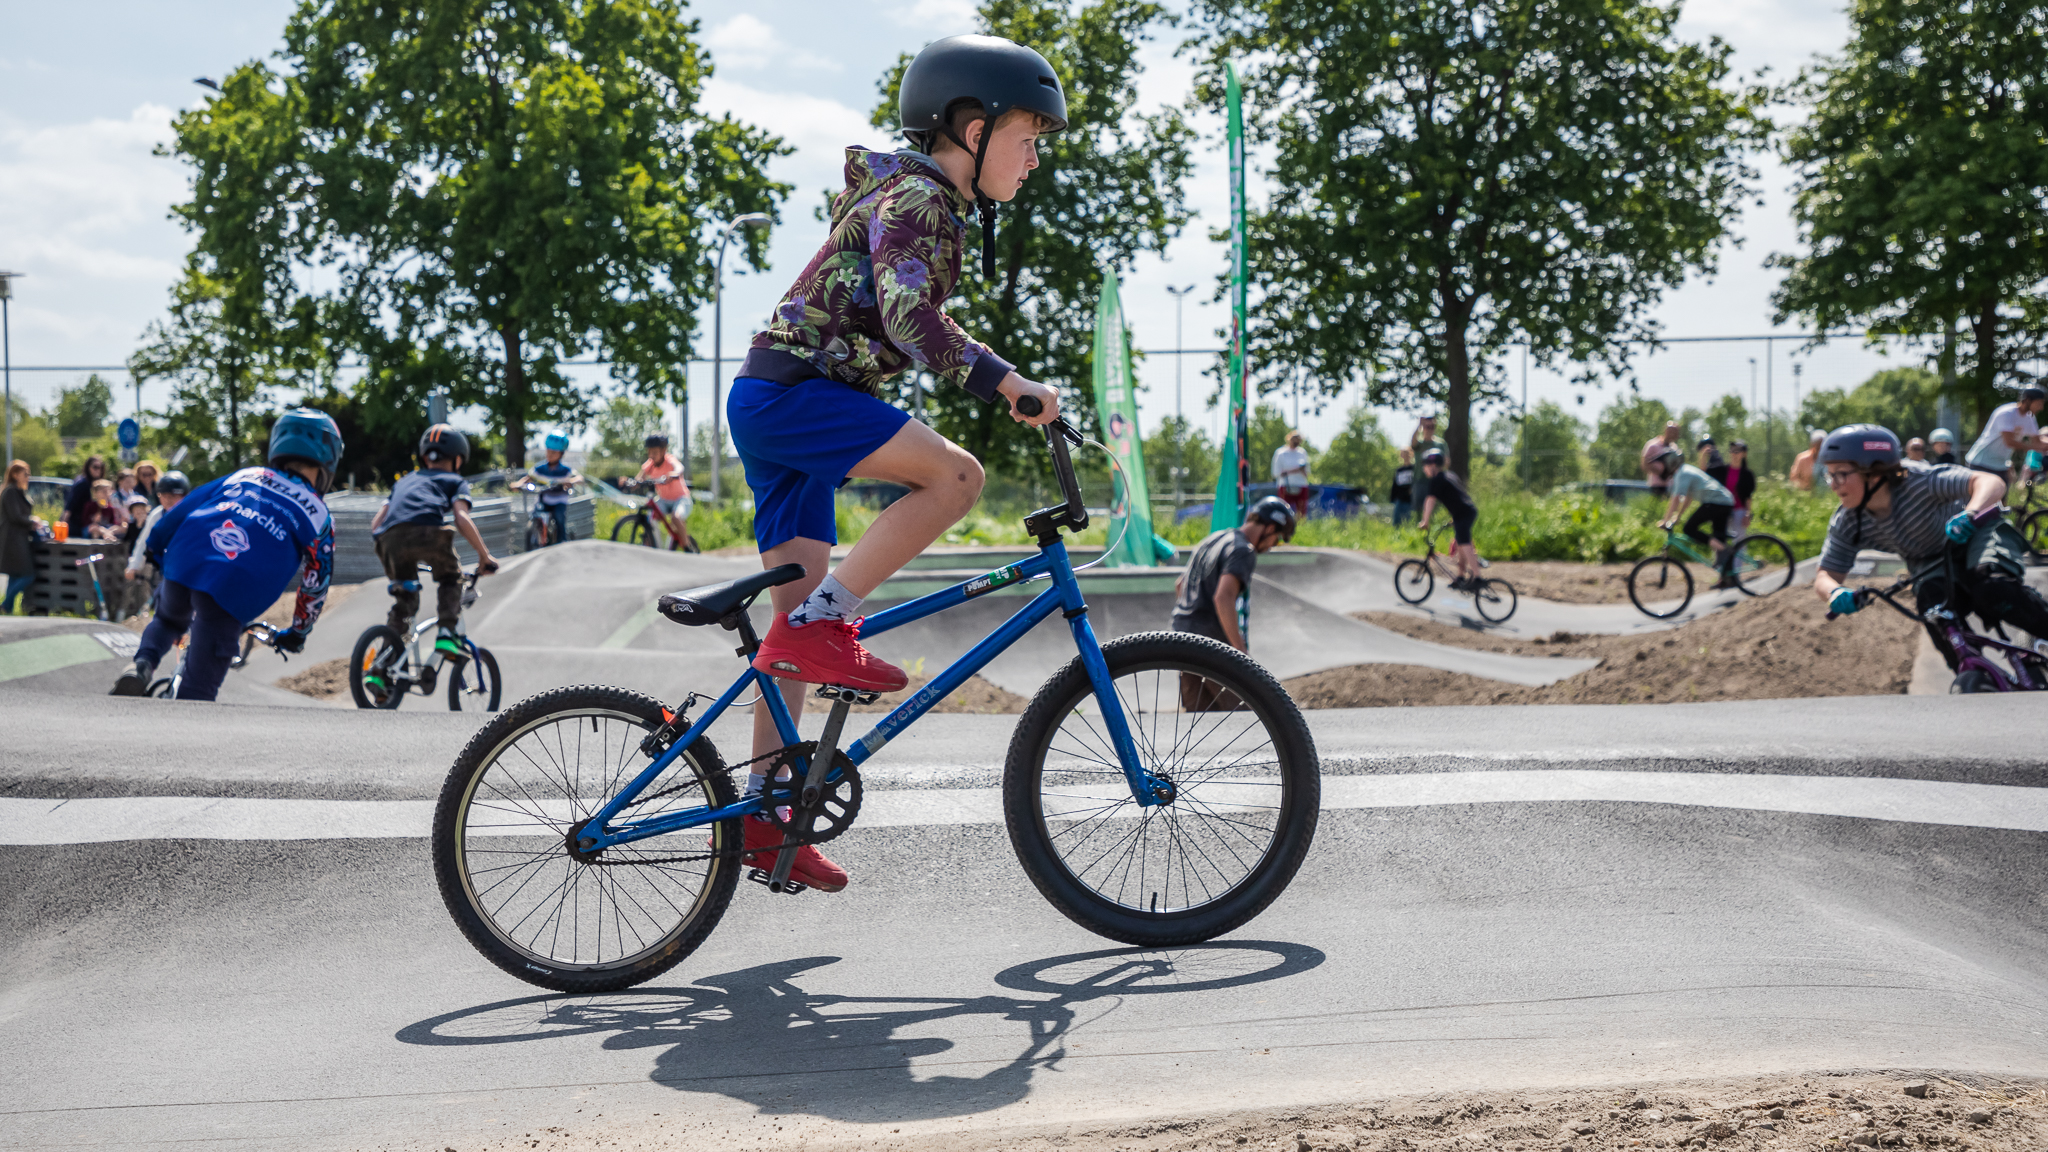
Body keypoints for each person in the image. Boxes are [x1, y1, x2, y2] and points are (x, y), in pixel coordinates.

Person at [723, 33, 1066, 893]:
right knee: (957, 477)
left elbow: (911, 316)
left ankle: (766, 818)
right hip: (796, 397)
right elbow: (913, 321)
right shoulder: (918, 197)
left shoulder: (920, 200)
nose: (1034, 160)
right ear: (972, 127)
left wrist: (1005, 379)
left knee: (790, 651)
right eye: (1029, 139)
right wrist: (1006, 383)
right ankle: (825, 619)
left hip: (776, 401)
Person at [111, 410, 344, 700]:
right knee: (197, 695)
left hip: (186, 558)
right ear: (330, 460)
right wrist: (298, 632)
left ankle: (141, 664)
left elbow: (183, 509)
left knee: (169, 620)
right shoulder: (319, 515)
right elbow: (316, 581)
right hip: (234, 586)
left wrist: (156, 551)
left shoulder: (247, 474)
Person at [1811, 423, 2048, 672]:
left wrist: (1970, 513)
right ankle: (1973, 674)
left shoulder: (1919, 481)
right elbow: (1825, 576)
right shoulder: (1848, 521)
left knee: (1992, 587)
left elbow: (1991, 482)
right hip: (1929, 560)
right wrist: (1834, 593)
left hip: (1977, 535)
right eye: (1829, 475)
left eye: (1840, 474)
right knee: (1933, 608)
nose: (1833, 484)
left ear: (1875, 473)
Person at [369, 424, 500, 662]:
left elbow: (376, 523)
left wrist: (386, 547)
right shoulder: (454, 480)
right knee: (451, 577)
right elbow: (461, 517)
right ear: (458, 459)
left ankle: (383, 665)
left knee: (405, 597)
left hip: (389, 539)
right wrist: (484, 556)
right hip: (427, 533)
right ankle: (447, 632)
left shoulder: (405, 481)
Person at [1171, 496, 1295, 710]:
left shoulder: (1214, 539)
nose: (1274, 545)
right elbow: (1223, 597)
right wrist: (1240, 653)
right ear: (1270, 527)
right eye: (1278, 539)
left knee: (1199, 722)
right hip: (1209, 645)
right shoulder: (1243, 550)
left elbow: (1180, 585)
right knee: (1248, 711)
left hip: (1180, 639)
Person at [1654, 444, 1739, 585]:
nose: (1662, 466)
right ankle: (1728, 579)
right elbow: (1688, 497)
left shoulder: (1682, 473)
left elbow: (1675, 499)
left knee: (1689, 528)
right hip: (1724, 502)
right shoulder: (1685, 470)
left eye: (1663, 463)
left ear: (1670, 462)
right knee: (1718, 537)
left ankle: (1724, 551)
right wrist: (1678, 517)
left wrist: (1665, 520)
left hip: (1717, 503)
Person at [121, 470, 187, 616]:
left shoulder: (192, 514)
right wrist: (134, 565)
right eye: (164, 496)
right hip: (165, 566)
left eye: (173, 496)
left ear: (183, 497)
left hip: (187, 567)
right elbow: (144, 541)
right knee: (162, 602)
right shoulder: (157, 515)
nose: (168, 500)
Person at [1416, 448, 1482, 590]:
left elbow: (1430, 501)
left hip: (1463, 513)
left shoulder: (1436, 480)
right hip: (1465, 512)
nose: (1424, 469)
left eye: (1425, 466)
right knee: (1459, 544)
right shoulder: (1449, 475)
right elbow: (1456, 496)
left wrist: (1425, 521)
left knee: (1464, 543)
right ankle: (1460, 576)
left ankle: (1478, 577)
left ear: (1433, 466)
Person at [1964, 386, 2048, 482]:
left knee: (2001, 496)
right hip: (1981, 463)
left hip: (2000, 465)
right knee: (1982, 496)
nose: (2041, 408)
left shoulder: (2029, 418)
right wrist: (2033, 446)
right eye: (2039, 403)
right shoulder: (2006, 413)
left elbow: (2038, 442)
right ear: (2028, 400)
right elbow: (2010, 442)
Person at [522, 432, 582, 546]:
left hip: (559, 500)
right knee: (535, 513)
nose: (550, 454)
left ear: (561, 454)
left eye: (554, 452)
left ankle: (562, 542)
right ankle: (538, 538)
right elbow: (528, 478)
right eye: (548, 451)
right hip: (544, 499)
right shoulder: (540, 468)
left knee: (559, 517)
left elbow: (579, 478)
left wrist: (571, 481)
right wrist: (517, 484)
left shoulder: (565, 470)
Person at [636, 433, 694, 551]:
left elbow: (679, 468)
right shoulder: (650, 464)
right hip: (664, 500)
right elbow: (640, 477)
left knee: (676, 518)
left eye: (655, 453)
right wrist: (633, 482)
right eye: (649, 452)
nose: (651, 456)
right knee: (649, 517)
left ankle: (687, 546)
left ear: (663, 451)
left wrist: (674, 474)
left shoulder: (669, 460)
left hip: (681, 498)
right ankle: (656, 545)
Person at [1, 460, 44, 614]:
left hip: (20, 537)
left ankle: (8, 610)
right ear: (15, 474)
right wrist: (33, 521)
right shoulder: (10, 492)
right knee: (28, 575)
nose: (28, 477)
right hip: (13, 539)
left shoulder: (18, 491)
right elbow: (15, 517)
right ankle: (5, 605)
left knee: (15, 575)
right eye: (25, 474)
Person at [1714, 439, 1758, 538]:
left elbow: (1748, 496)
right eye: (1732, 451)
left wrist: (1747, 514)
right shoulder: (1722, 470)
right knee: (1719, 542)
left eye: (1737, 451)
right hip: (1722, 510)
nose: (1734, 454)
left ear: (1743, 454)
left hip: (1739, 511)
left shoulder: (1747, 474)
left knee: (1739, 543)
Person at [1270, 430, 1311, 519]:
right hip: (1285, 486)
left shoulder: (1302, 453)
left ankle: (1300, 529)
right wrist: (1295, 470)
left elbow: (1307, 472)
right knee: (1284, 511)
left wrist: (1302, 469)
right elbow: (1275, 473)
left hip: (1301, 485)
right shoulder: (1281, 453)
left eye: (1298, 439)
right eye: (1294, 438)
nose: (1296, 441)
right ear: (1289, 438)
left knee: (1301, 513)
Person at [64, 455, 107, 539]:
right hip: (78, 525)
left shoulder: (100, 485)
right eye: (95, 467)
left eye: (100, 467)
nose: (98, 470)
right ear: (88, 467)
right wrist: (63, 522)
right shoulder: (82, 483)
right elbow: (70, 505)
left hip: (94, 523)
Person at [1641, 421, 1684, 496]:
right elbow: (1644, 464)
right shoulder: (1653, 445)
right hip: (1656, 485)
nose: (1674, 434)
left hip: (1670, 486)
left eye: (1676, 432)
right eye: (1672, 431)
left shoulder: (1674, 448)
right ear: (1666, 431)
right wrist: (1661, 473)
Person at [1389, 448, 1416, 527]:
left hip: (1410, 499)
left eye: (1407, 454)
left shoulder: (1414, 468)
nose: (1405, 456)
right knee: (1397, 519)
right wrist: (1392, 498)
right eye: (1403, 454)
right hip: (1399, 498)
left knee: (1407, 520)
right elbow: (1395, 485)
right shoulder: (1399, 470)